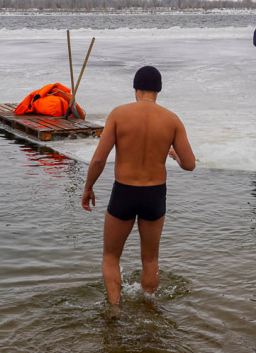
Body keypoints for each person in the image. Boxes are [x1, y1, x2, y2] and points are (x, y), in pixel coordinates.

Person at [80, 66, 196, 306]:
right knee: (151, 259)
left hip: (124, 191)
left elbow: (99, 159)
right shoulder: (171, 120)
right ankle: (149, 308)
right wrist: (173, 155)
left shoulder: (119, 114)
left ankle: (115, 310)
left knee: (111, 257)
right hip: (155, 194)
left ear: (135, 89)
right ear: (158, 91)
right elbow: (190, 165)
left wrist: (88, 187)